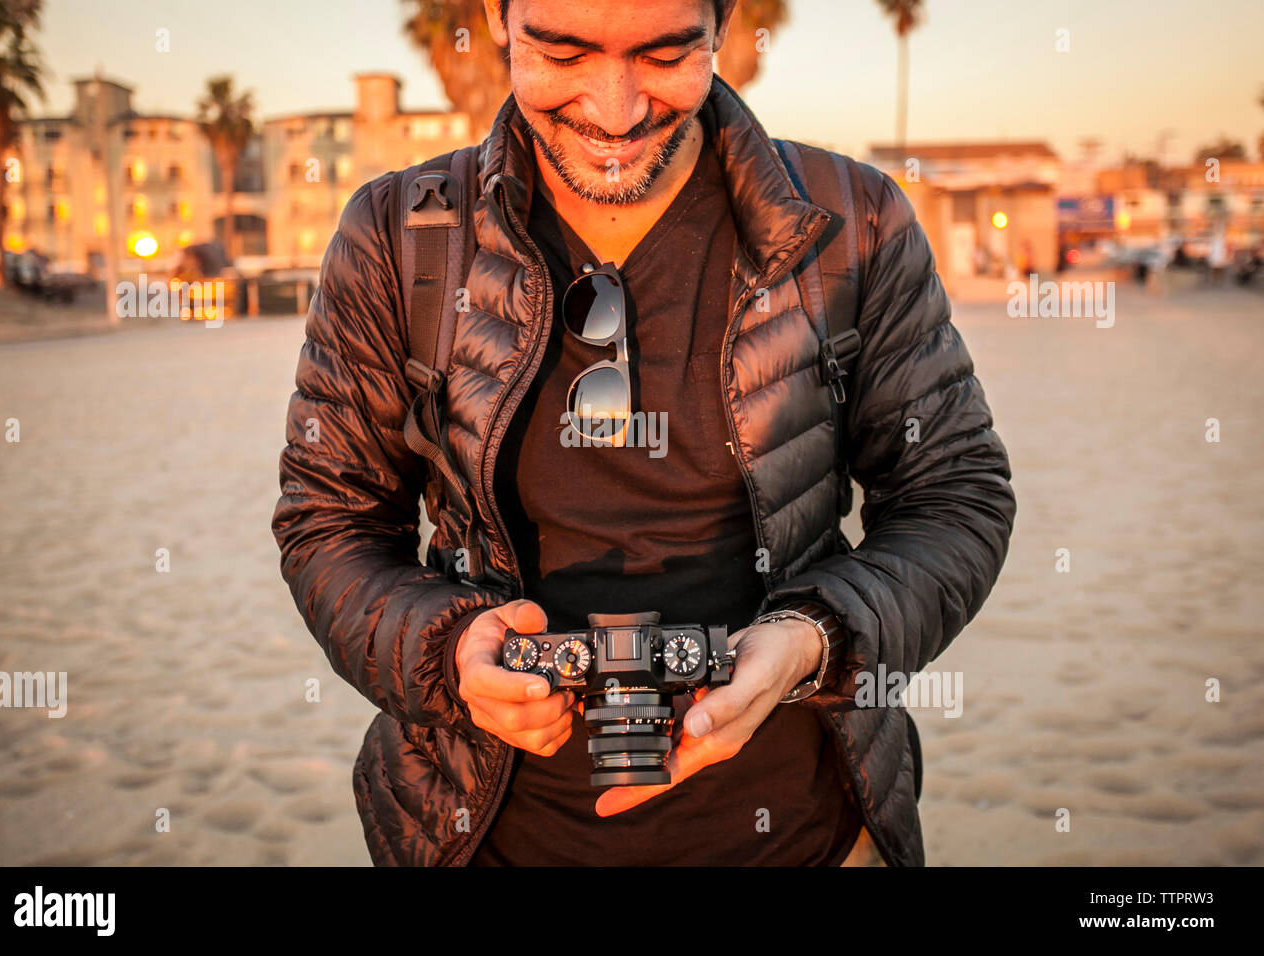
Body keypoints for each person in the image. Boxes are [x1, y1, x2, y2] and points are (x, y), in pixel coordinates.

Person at [271, 0, 1015, 867]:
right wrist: (446, 648)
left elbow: (956, 496)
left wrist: (811, 641)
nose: (616, 110)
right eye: (564, 51)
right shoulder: (401, 237)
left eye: (665, 56)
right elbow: (329, 522)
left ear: (723, 25)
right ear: (497, 19)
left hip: (809, 831)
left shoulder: (853, 223)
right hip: (483, 837)